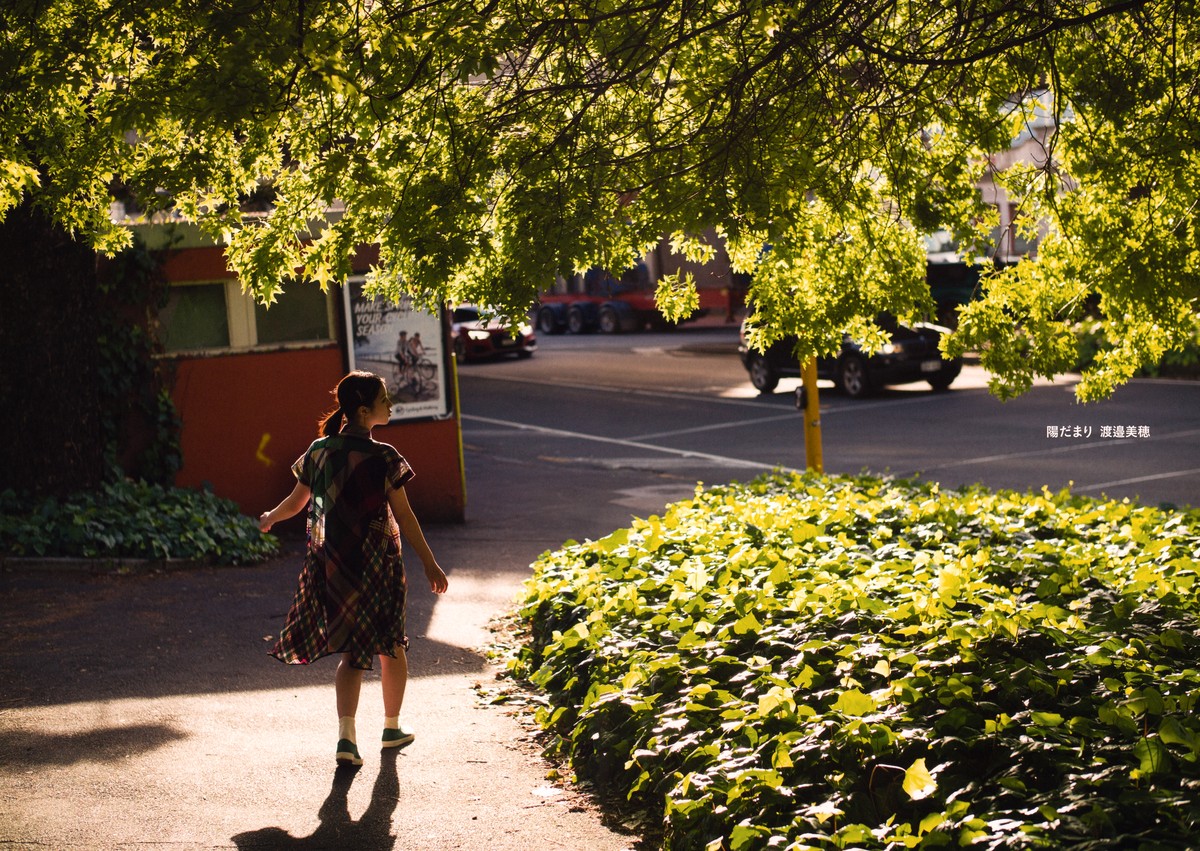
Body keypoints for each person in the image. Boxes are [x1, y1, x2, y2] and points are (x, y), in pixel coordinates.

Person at [259, 370, 449, 767]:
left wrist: (270, 517)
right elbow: (406, 517)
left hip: (334, 565)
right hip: (378, 565)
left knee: (350, 651)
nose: (391, 404)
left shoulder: (319, 450)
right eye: (384, 399)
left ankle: (347, 738)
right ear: (364, 411)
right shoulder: (384, 457)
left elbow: (297, 502)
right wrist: (431, 564)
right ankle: (391, 727)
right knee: (391, 645)